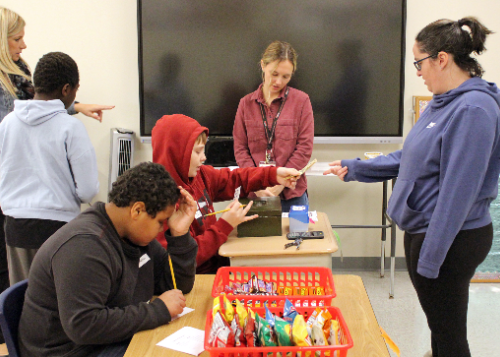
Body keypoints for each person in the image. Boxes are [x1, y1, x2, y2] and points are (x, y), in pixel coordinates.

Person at [325, 17, 499, 357]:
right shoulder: (443, 102)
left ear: (442, 59)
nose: (418, 71)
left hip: (452, 239)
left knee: (449, 336)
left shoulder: (474, 109)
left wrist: (430, 260)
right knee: (441, 327)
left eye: (420, 62)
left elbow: (456, 196)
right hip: (429, 233)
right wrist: (357, 168)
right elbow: (411, 158)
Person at [18, 162, 198, 357]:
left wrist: (179, 234)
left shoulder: (132, 234)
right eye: (161, 222)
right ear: (137, 210)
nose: (162, 229)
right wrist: (158, 310)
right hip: (72, 351)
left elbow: (176, 285)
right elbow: (84, 326)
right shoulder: (85, 246)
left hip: (101, 341)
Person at [152, 114, 300, 274]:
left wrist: (273, 175)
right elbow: (183, 260)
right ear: (175, 153)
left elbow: (234, 178)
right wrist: (225, 225)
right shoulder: (160, 204)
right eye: (197, 152)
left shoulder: (201, 175)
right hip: (196, 279)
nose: (204, 158)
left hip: (219, 264)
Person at [0, 52, 100, 286]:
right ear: (66, 89)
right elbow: (87, 191)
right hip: (58, 228)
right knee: (58, 302)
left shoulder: (7, 123)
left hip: (15, 227)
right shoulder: (70, 127)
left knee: (22, 302)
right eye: (75, 89)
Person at [233, 40, 314, 213]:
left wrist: (280, 184)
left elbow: (304, 148)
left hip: (292, 195)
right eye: (274, 73)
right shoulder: (245, 104)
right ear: (263, 65)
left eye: (286, 76)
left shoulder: (301, 101)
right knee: (255, 241)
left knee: (296, 239)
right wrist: (257, 182)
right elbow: (240, 149)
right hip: (255, 195)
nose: (278, 81)